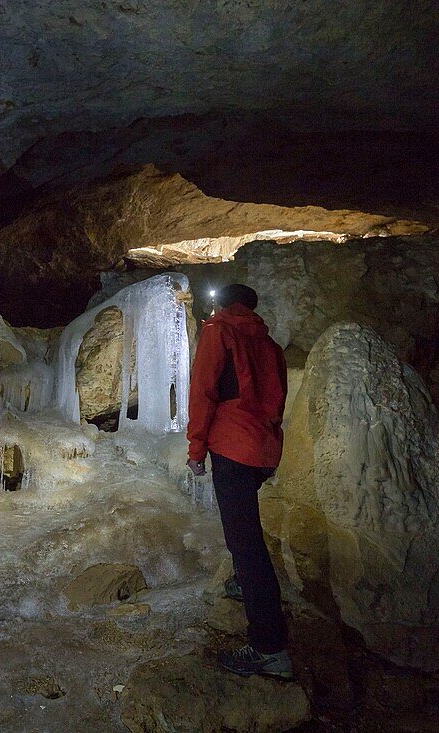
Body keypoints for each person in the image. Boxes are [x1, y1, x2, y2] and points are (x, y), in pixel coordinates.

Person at [186, 283, 291, 679]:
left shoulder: (219, 332)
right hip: (262, 450)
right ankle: (247, 588)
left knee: (245, 544)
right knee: (246, 533)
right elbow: (276, 402)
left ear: (224, 304)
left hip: (233, 446)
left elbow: (203, 392)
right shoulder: (270, 345)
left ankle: (270, 648)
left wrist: (196, 450)